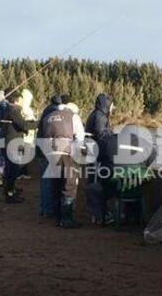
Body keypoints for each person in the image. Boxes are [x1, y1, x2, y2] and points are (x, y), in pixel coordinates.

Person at [42, 98, 86, 228]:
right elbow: (80, 136)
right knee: (69, 186)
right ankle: (67, 218)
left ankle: (57, 217)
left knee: (55, 185)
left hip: (50, 154)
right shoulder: (72, 116)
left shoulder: (48, 116)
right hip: (66, 154)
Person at [84, 93, 115, 225]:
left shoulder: (97, 115)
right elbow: (102, 136)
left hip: (93, 154)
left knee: (96, 183)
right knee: (98, 184)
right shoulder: (99, 117)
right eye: (112, 106)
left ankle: (98, 213)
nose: (113, 108)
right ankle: (100, 215)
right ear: (107, 105)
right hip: (97, 156)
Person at [2, 90, 37, 203]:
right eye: (21, 99)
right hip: (13, 142)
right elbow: (23, 125)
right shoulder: (15, 110)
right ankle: (10, 194)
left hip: (9, 141)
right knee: (13, 169)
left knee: (10, 169)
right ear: (17, 100)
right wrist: (38, 124)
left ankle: (9, 190)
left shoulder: (7, 108)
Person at [37, 95, 63, 217]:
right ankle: (49, 209)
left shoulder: (46, 111)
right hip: (47, 149)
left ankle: (44, 207)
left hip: (41, 148)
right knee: (49, 181)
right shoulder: (54, 113)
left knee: (45, 180)